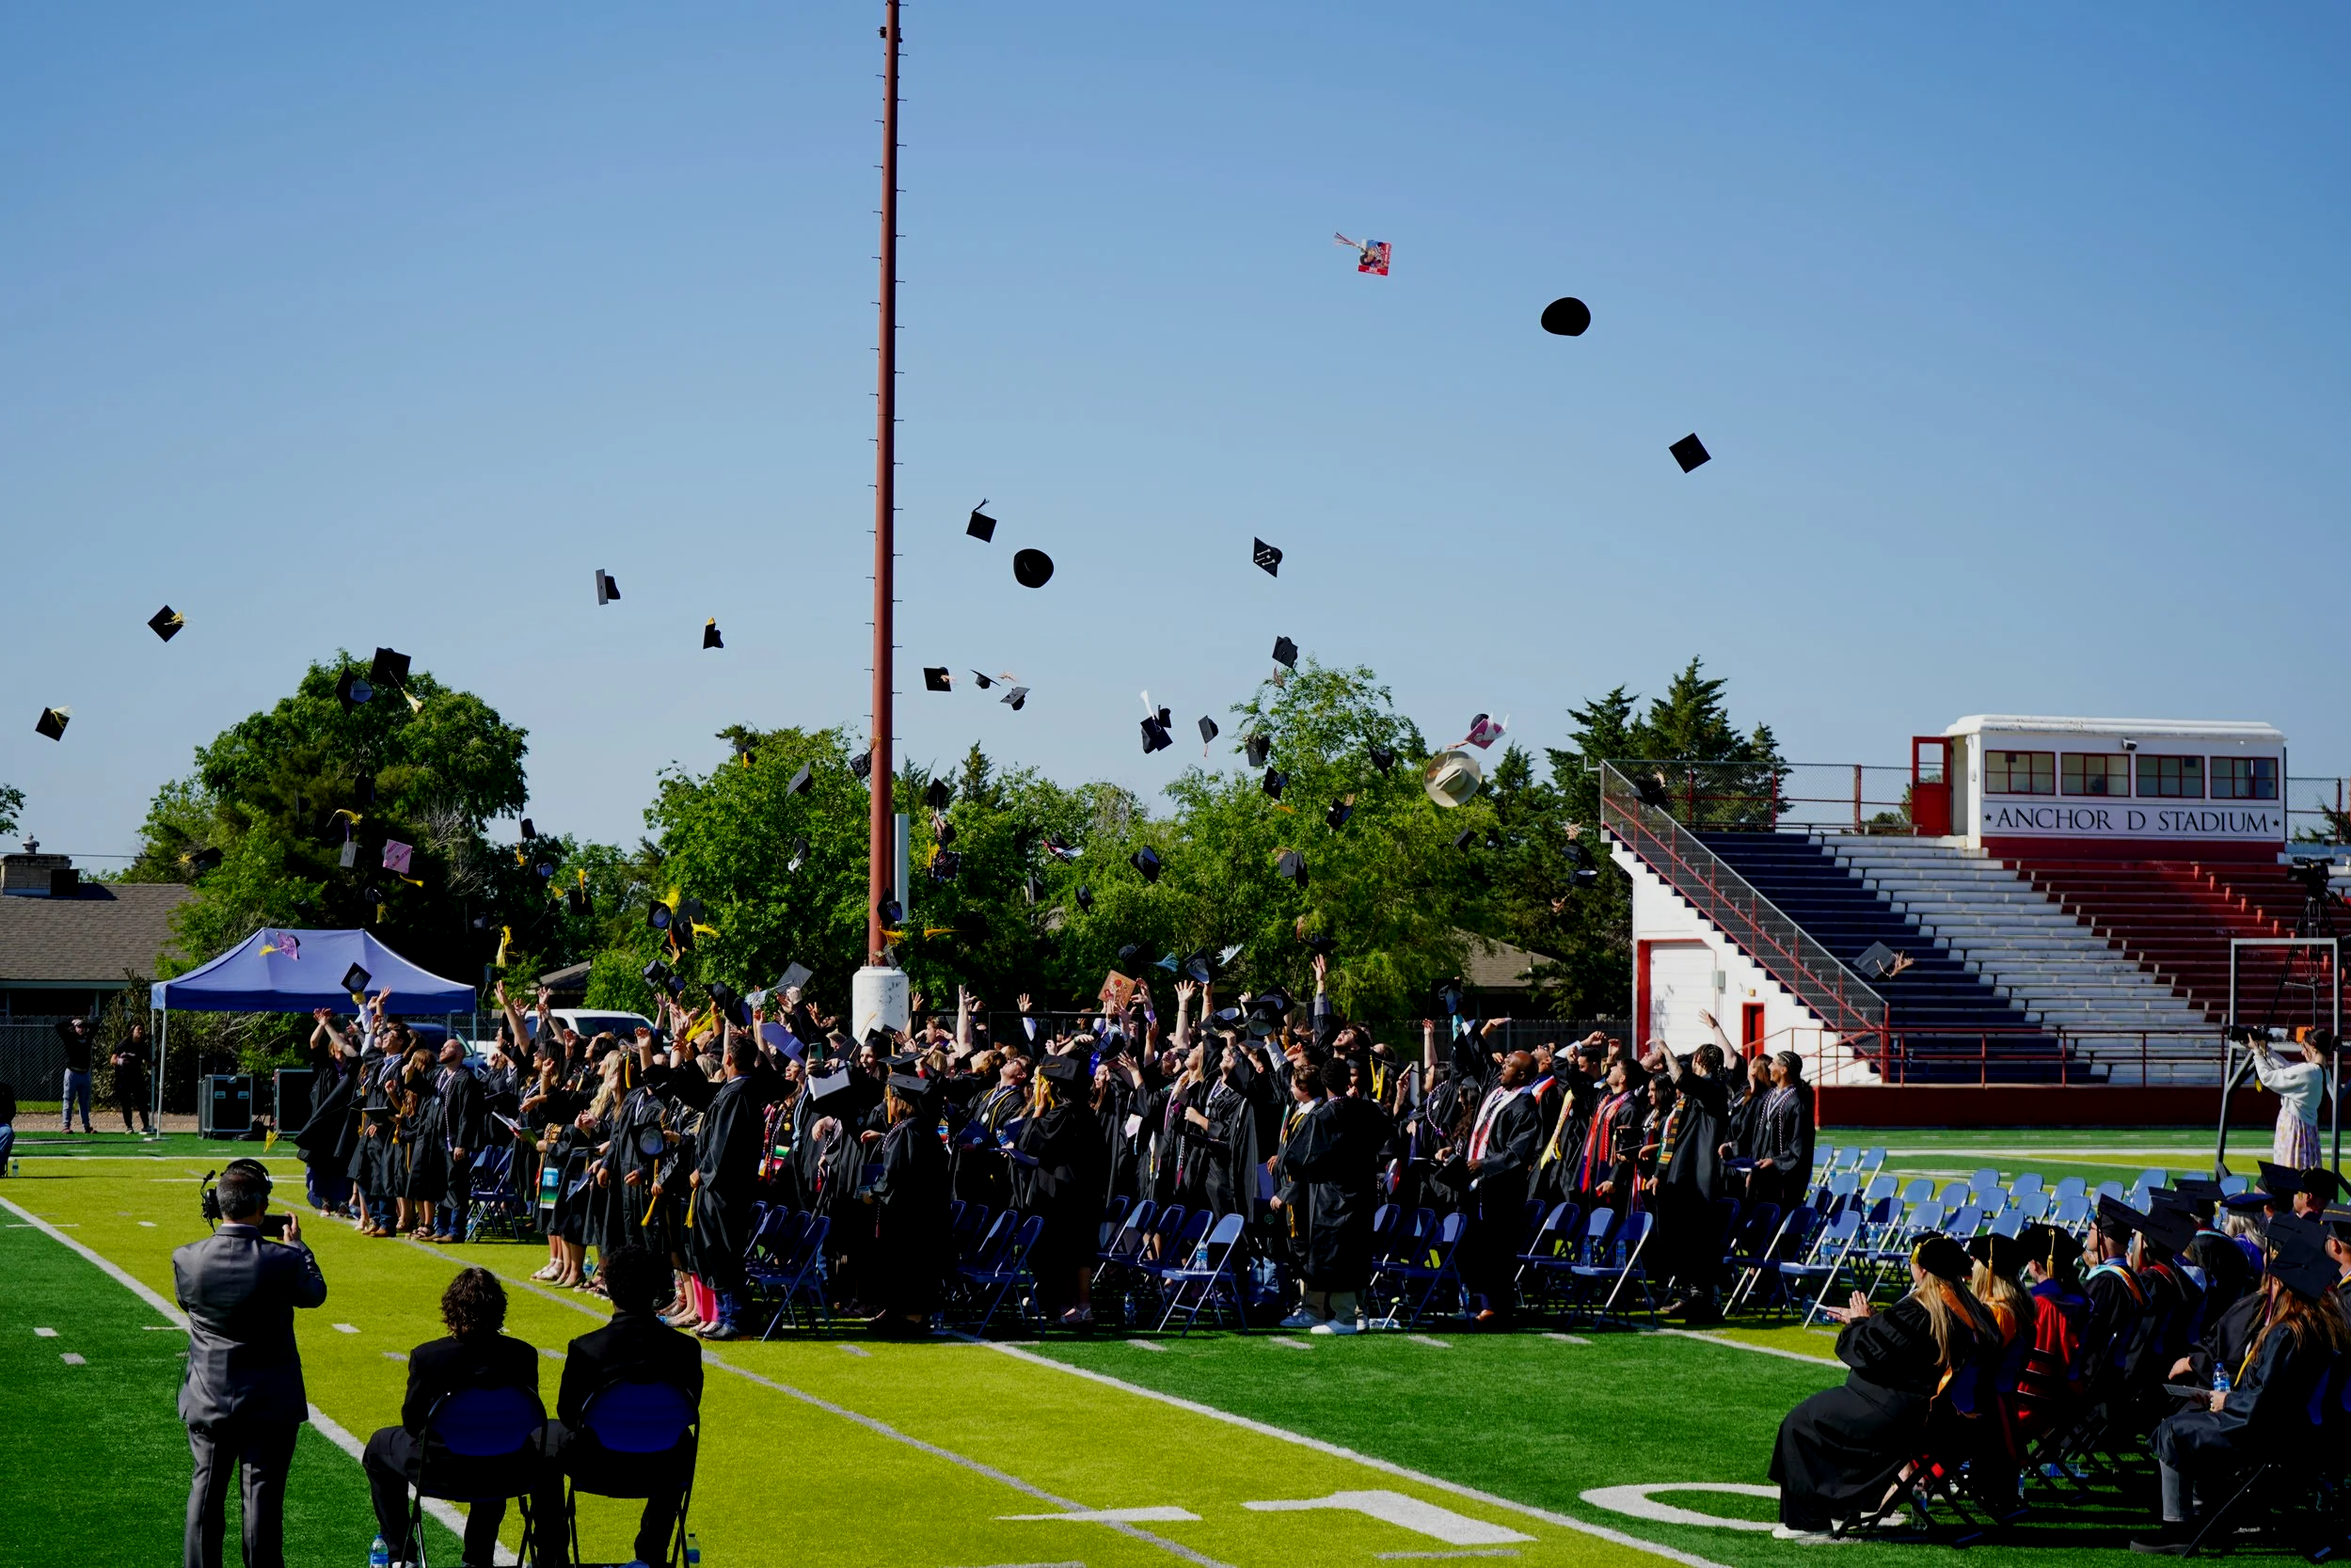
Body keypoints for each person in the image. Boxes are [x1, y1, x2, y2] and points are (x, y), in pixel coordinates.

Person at [2133, 1214, 2350, 1554]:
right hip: (2291, 1433)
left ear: (2284, 1286)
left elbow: (2263, 1403)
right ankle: (2205, 1511)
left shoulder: (2287, 1334)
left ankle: (2177, 1528)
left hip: (2267, 1436)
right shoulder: (2315, 1327)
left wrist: (2225, 1402)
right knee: (2191, 1419)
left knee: (2176, 1428)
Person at [1770, 1233, 1994, 1543]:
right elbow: (1901, 1348)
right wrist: (1873, 1322)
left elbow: (1865, 1350)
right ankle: (1832, 1509)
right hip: (1936, 1417)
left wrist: (1859, 1322)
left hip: (1894, 1412)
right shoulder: (1974, 1313)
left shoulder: (1918, 1311)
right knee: (1822, 1414)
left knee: (1801, 1421)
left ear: (1923, 1271)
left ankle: (1810, 1520)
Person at [172, 1161, 329, 1568]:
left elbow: (187, 1303)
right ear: (261, 1208)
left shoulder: (187, 1259)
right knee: (261, 1499)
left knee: (204, 1494)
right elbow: (314, 1294)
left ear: (217, 1206)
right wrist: (299, 1248)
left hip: (209, 1394)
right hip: (269, 1400)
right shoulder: (282, 1260)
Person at [363, 1268, 543, 1567]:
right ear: (499, 1310)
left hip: (441, 1470)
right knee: (495, 1446)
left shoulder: (429, 1357)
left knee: (379, 1446)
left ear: (451, 1309)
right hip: (506, 1468)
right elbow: (528, 1420)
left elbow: (412, 1423)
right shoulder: (523, 1355)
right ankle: (478, 1558)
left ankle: (399, 1553)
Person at [537, 1246, 702, 1568]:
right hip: (663, 1467)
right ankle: (652, 1554)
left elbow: (570, 1416)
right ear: (656, 1291)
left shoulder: (586, 1349)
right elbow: (688, 1409)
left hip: (597, 1465)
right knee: (681, 1441)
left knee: (543, 1441)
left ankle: (553, 1556)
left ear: (609, 1290)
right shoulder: (685, 1349)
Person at [1279, 1054, 1394, 1334]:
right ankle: (1360, 1314)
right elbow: (1385, 1135)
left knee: (1338, 1254)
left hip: (1333, 1196)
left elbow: (1296, 1159)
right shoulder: (1368, 1111)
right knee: (1357, 1252)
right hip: (1364, 1192)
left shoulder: (1325, 1116)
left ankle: (1344, 1318)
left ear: (1323, 1083)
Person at [1453, 1050, 1543, 1325]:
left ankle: (1498, 1307)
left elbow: (1517, 1153)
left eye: (1507, 1066)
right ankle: (1482, 1301)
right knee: (1478, 1246)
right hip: (1479, 1185)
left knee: (1498, 1248)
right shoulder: (1498, 1093)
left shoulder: (1524, 1106)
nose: (1501, 1068)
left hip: (1501, 1190)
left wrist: (1483, 1164)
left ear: (1522, 1075)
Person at [1651, 1042, 1730, 1322]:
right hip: (1684, 1173)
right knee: (1683, 1234)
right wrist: (1661, 1173)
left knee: (1698, 1235)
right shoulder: (1698, 1090)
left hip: (1700, 1175)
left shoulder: (1713, 1087)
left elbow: (1681, 1078)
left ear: (1699, 1059)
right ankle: (1690, 1294)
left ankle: (1702, 1299)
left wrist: (1666, 1050)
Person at [2248, 1029, 2333, 1170]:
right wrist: (2266, 1049)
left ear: (2313, 1046)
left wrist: (2257, 1052)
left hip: (2295, 1132)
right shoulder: (2324, 1071)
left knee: (2288, 1178)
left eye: (2304, 1047)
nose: (2302, 1052)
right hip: (2308, 1131)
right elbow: (2287, 1069)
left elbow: (2268, 1078)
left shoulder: (2309, 1071)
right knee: (2303, 1178)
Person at [55, 1013, 96, 1133]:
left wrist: (84, 1022)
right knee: (68, 1100)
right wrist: (71, 1022)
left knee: (84, 1101)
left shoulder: (88, 1037)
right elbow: (58, 1027)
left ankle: (87, 1126)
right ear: (75, 1028)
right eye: (79, 1026)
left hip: (84, 1074)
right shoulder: (69, 1037)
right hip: (72, 1073)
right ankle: (66, 1126)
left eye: (82, 1026)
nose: (81, 1028)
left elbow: (96, 1027)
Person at [112, 1023, 154, 1133]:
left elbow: (147, 1060)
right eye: (138, 1029)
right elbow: (112, 1060)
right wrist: (121, 1061)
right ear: (132, 1031)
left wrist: (154, 1063)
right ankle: (129, 1127)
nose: (140, 1032)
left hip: (137, 1077)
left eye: (142, 1030)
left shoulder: (143, 1046)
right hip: (123, 1077)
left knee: (142, 1102)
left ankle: (146, 1125)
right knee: (126, 1103)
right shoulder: (124, 1044)